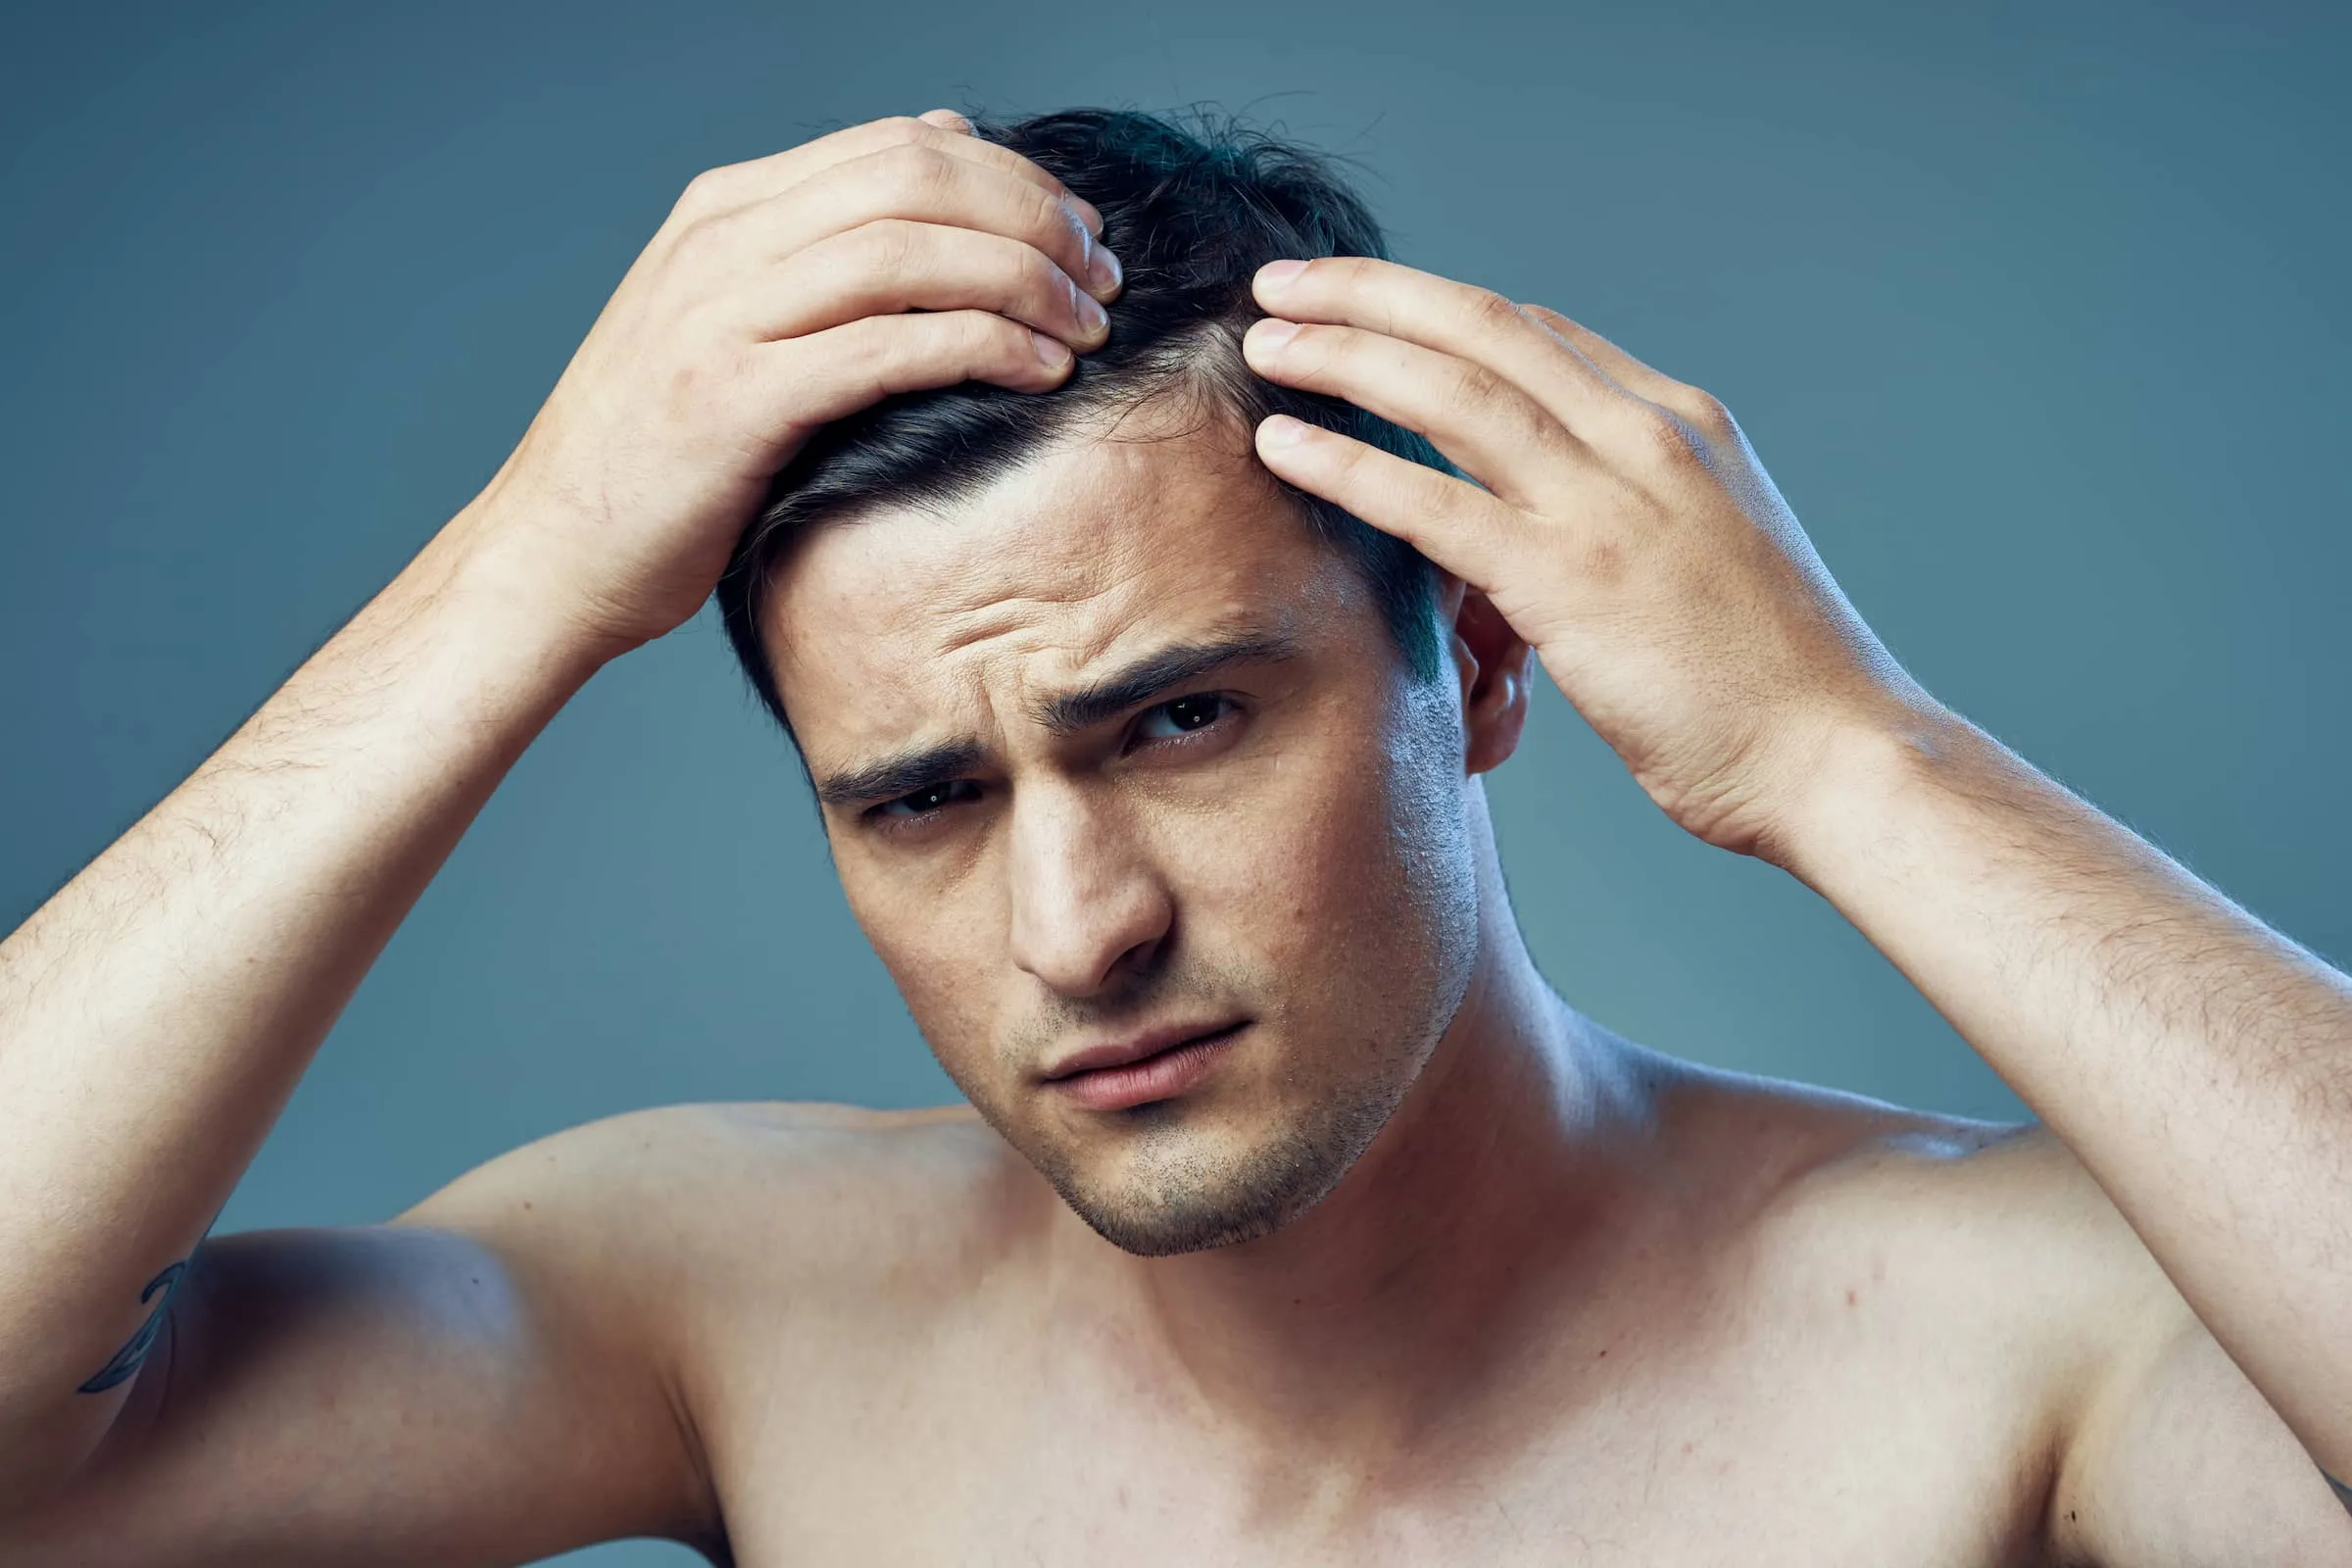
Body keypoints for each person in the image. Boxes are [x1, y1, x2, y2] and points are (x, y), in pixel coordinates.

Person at [0, 102, 2345, 1566]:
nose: (1075, 927)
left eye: (1185, 721)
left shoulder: (2005, 1333)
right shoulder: (730, 1303)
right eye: (926, 798)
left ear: (1482, 668)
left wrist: (1847, 753)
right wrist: (512, 574)